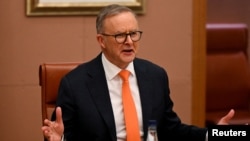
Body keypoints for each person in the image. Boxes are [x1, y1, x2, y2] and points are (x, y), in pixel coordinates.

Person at [41, 4, 235, 141]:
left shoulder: (155, 76)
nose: (129, 41)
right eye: (119, 35)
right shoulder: (75, 84)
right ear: (101, 41)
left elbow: (170, 130)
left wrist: (217, 134)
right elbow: (64, 134)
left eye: (133, 33)